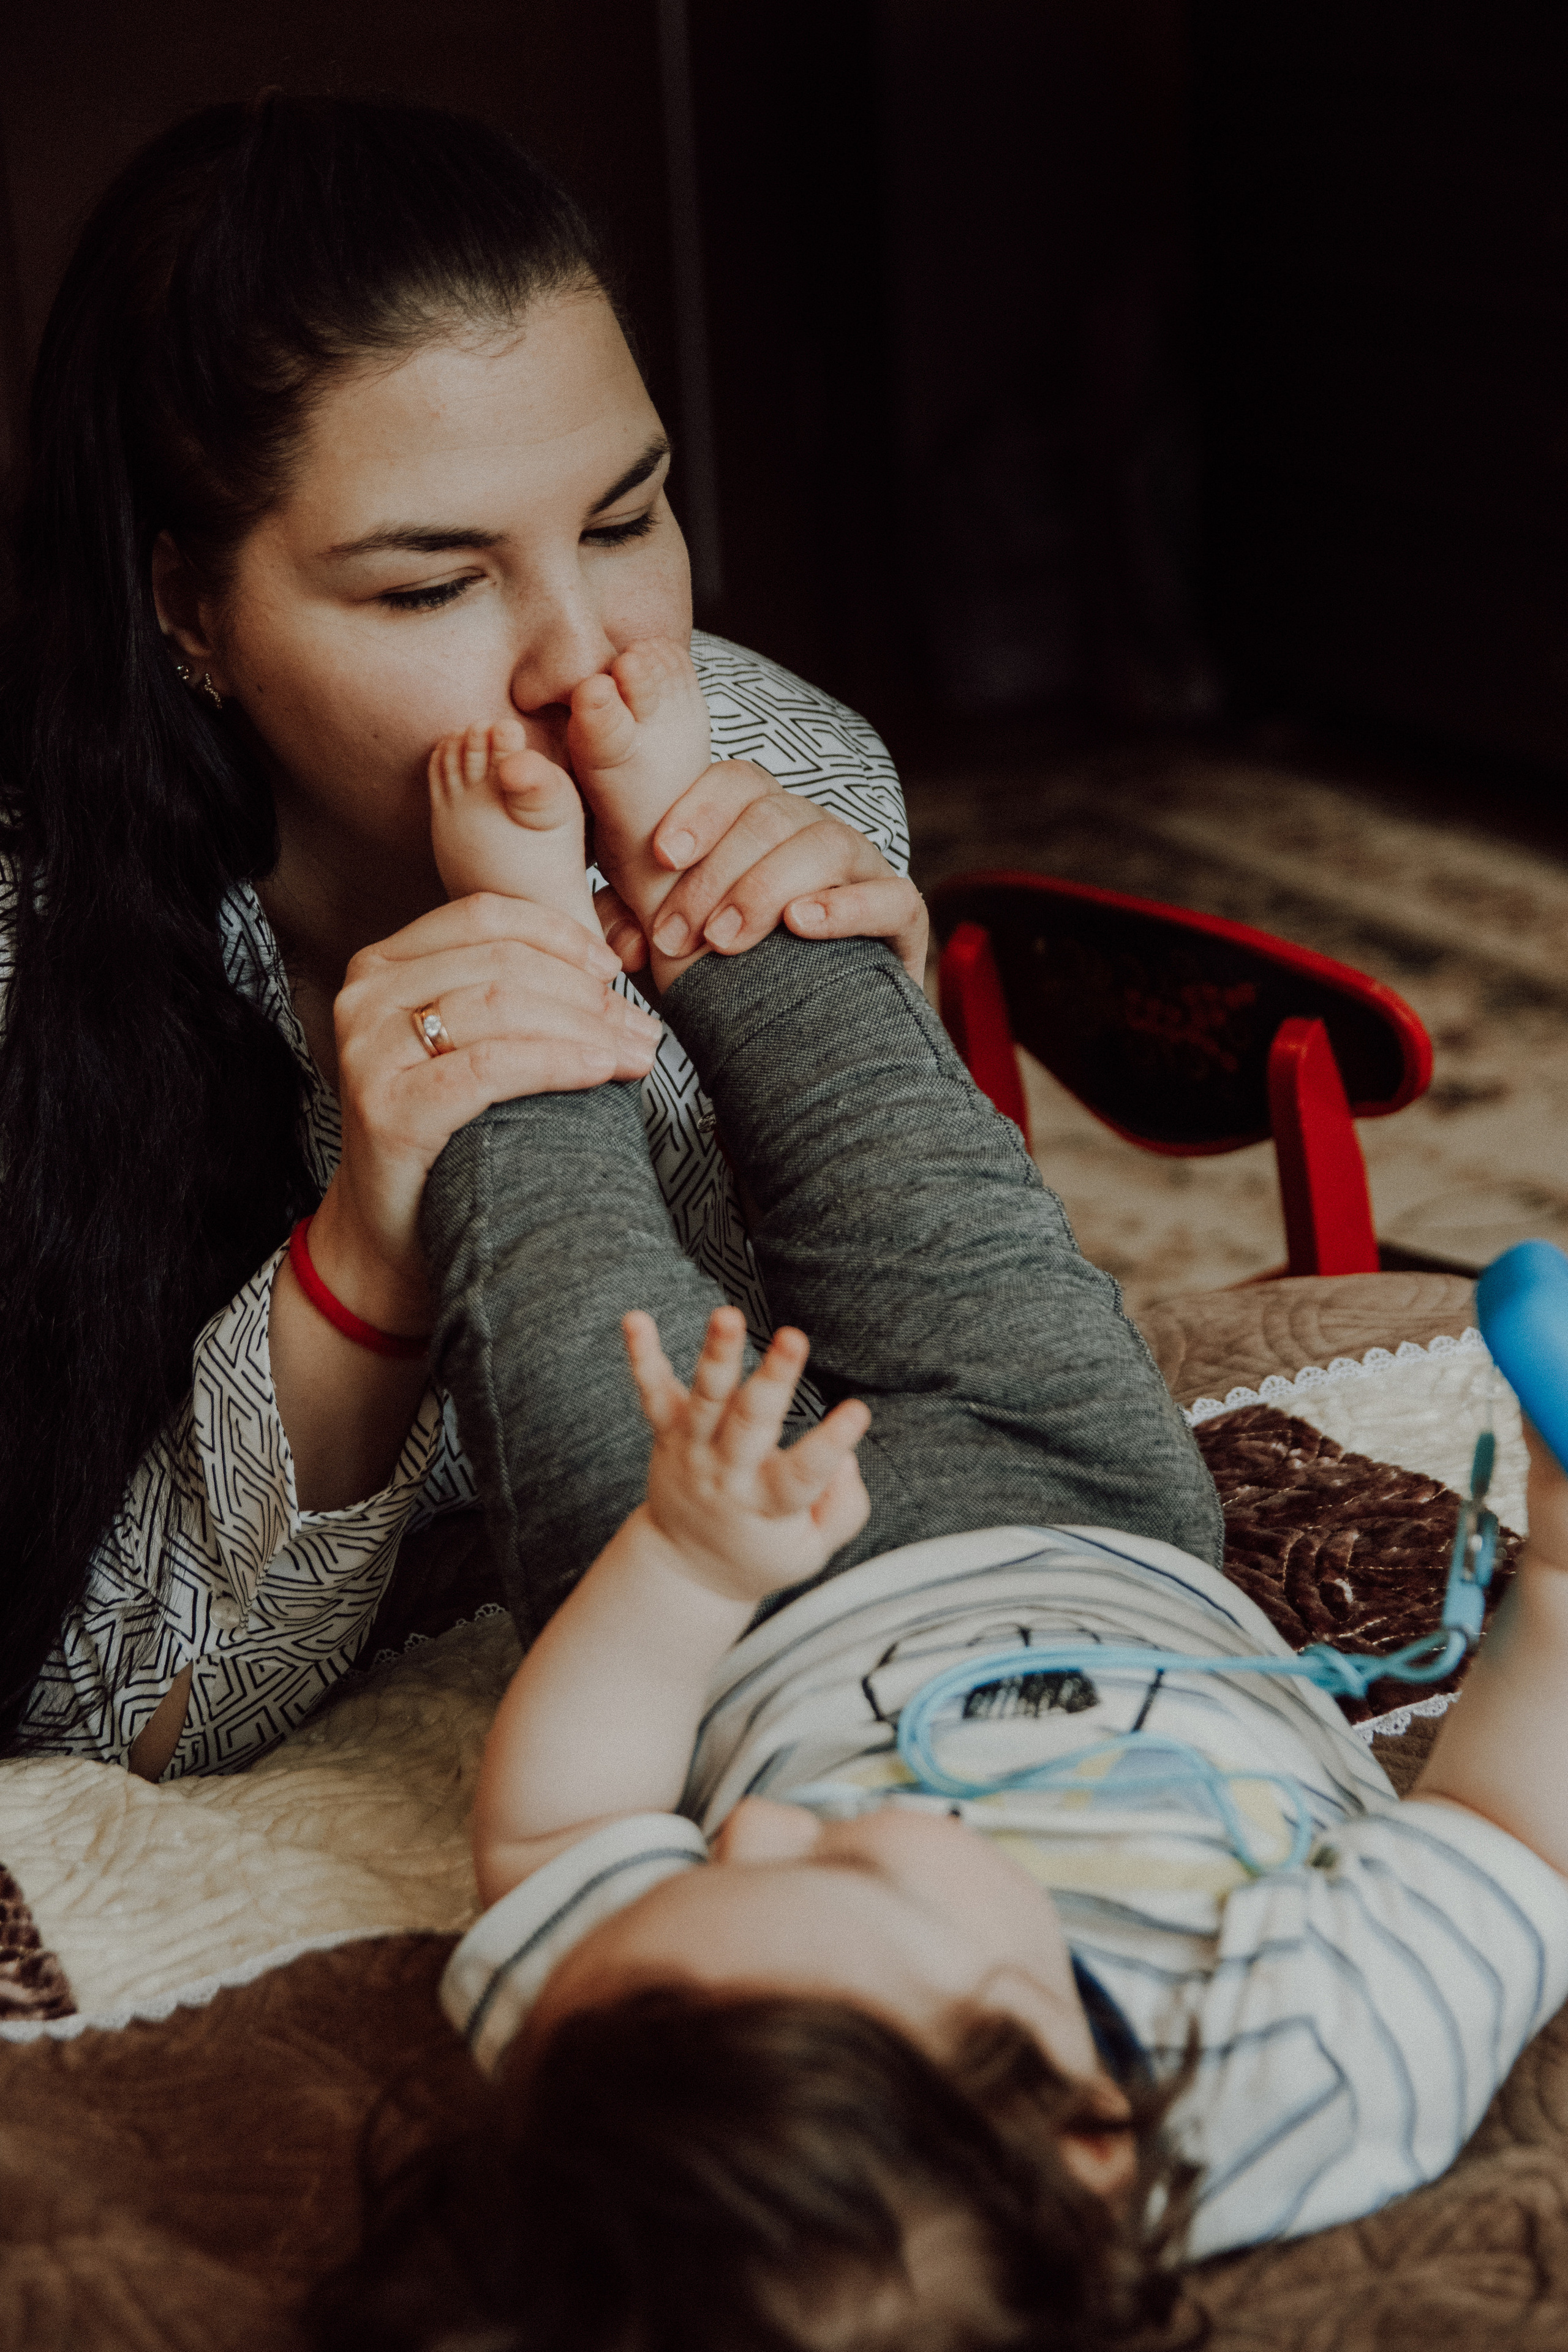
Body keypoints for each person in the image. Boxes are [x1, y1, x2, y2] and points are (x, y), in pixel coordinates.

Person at [325, 676, 1568, 2351]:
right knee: (915, 1175)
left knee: (552, 1264)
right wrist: (1558, 1563)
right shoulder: (1312, 2061)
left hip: (722, 1588)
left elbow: (556, 1831)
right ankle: (713, 872)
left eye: (713, 1864)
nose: (746, 1832)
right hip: (1087, 1507)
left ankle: (520, 945)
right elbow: (1513, 1832)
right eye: (839, 1865)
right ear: (1086, 2121)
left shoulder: (625, 2086)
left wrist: (683, 1567)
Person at [0, 94, 924, 1774]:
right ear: (188, 608)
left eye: (628, 517)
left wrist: (862, 1078)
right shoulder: (35, 951)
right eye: (434, 586)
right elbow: (84, 1723)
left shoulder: (777, 770)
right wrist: (367, 1248)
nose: (589, 658)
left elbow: (899, 1461)